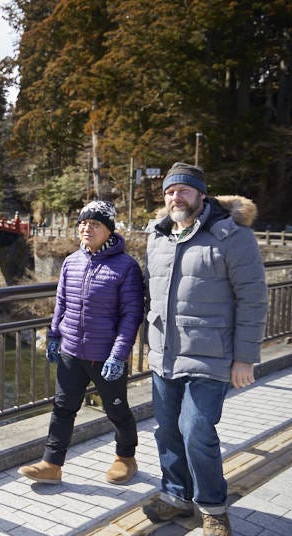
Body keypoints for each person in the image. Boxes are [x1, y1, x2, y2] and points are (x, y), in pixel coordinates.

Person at [141, 162, 268, 536]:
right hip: (164, 353)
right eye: (169, 192)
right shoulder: (158, 236)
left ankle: (213, 506)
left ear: (201, 194)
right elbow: (153, 292)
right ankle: (176, 495)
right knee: (167, 430)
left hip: (212, 354)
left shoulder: (232, 235)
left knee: (195, 428)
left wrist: (245, 357)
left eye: (183, 190)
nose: (175, 197)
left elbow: (253, 299)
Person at [18, 200, 144, 486]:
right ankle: (51, 464)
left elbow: (131, 315)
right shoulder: (71, 261)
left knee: (116, 409)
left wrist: (118, 355)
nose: (87, 228)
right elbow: (61, 303)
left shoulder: (126, 267)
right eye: (83, 223)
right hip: (71, 351)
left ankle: (126, 458)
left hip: (105, 355)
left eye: (95, 223)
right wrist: (53, 336)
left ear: (109, 230)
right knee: (63, 408)